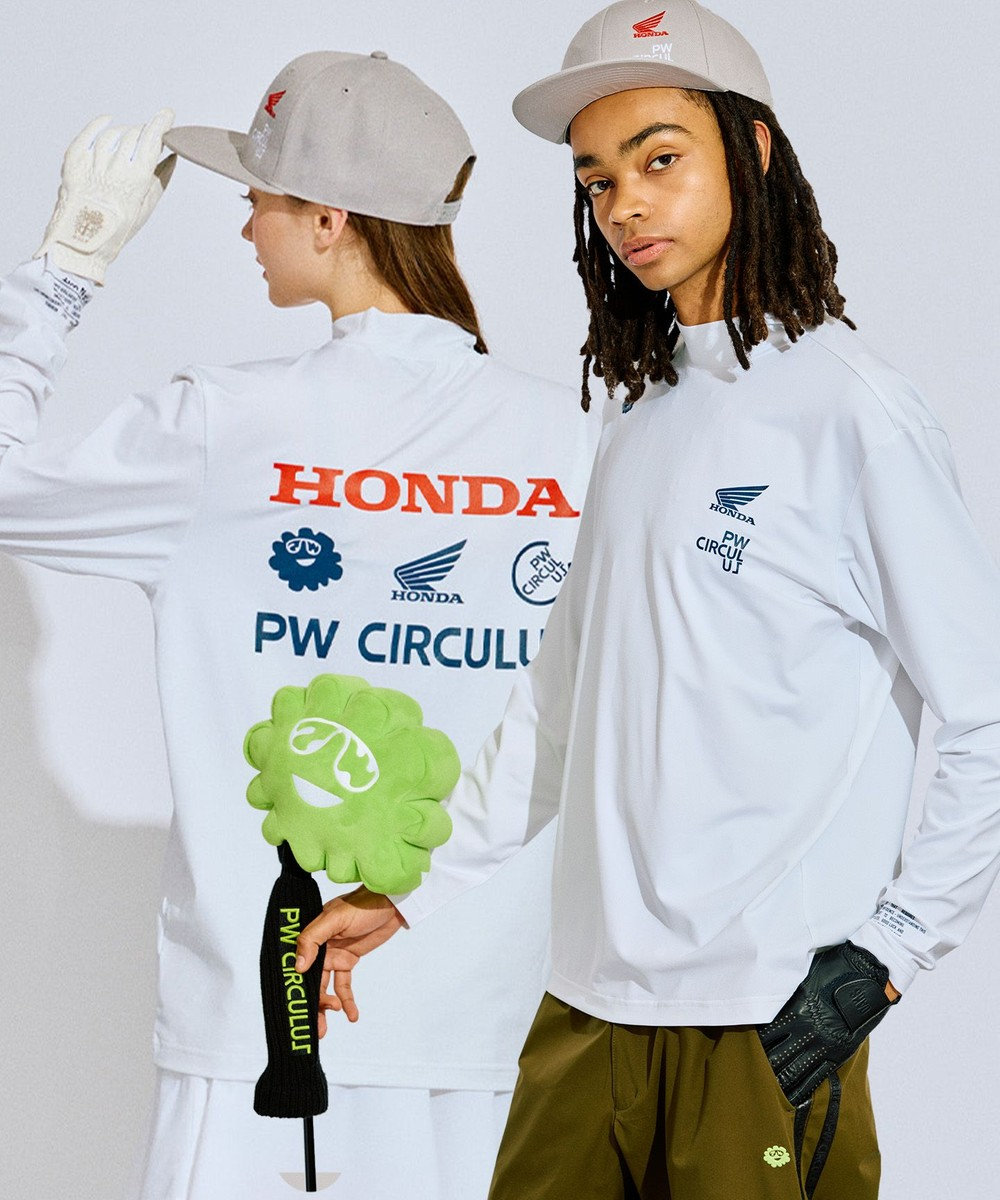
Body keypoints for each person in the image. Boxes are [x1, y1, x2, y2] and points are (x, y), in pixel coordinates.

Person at [295, 4, 1000, 1197]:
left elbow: (984, 710)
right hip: (587, 1010)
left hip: (765, 1018)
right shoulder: (640, 410)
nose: (624, 203)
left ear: (752, 152)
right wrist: (406, 889)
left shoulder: (851, 413)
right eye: (597, 179)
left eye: (659, 158)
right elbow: (560, 709)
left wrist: (888, 953)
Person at [0, 51, 596, 1199]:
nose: (245, 228)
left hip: (257, 1040)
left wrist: (66, 269)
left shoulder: (224, 427)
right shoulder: (567, 437)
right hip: (492, 1044)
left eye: (259, 199)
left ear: (330, 220)